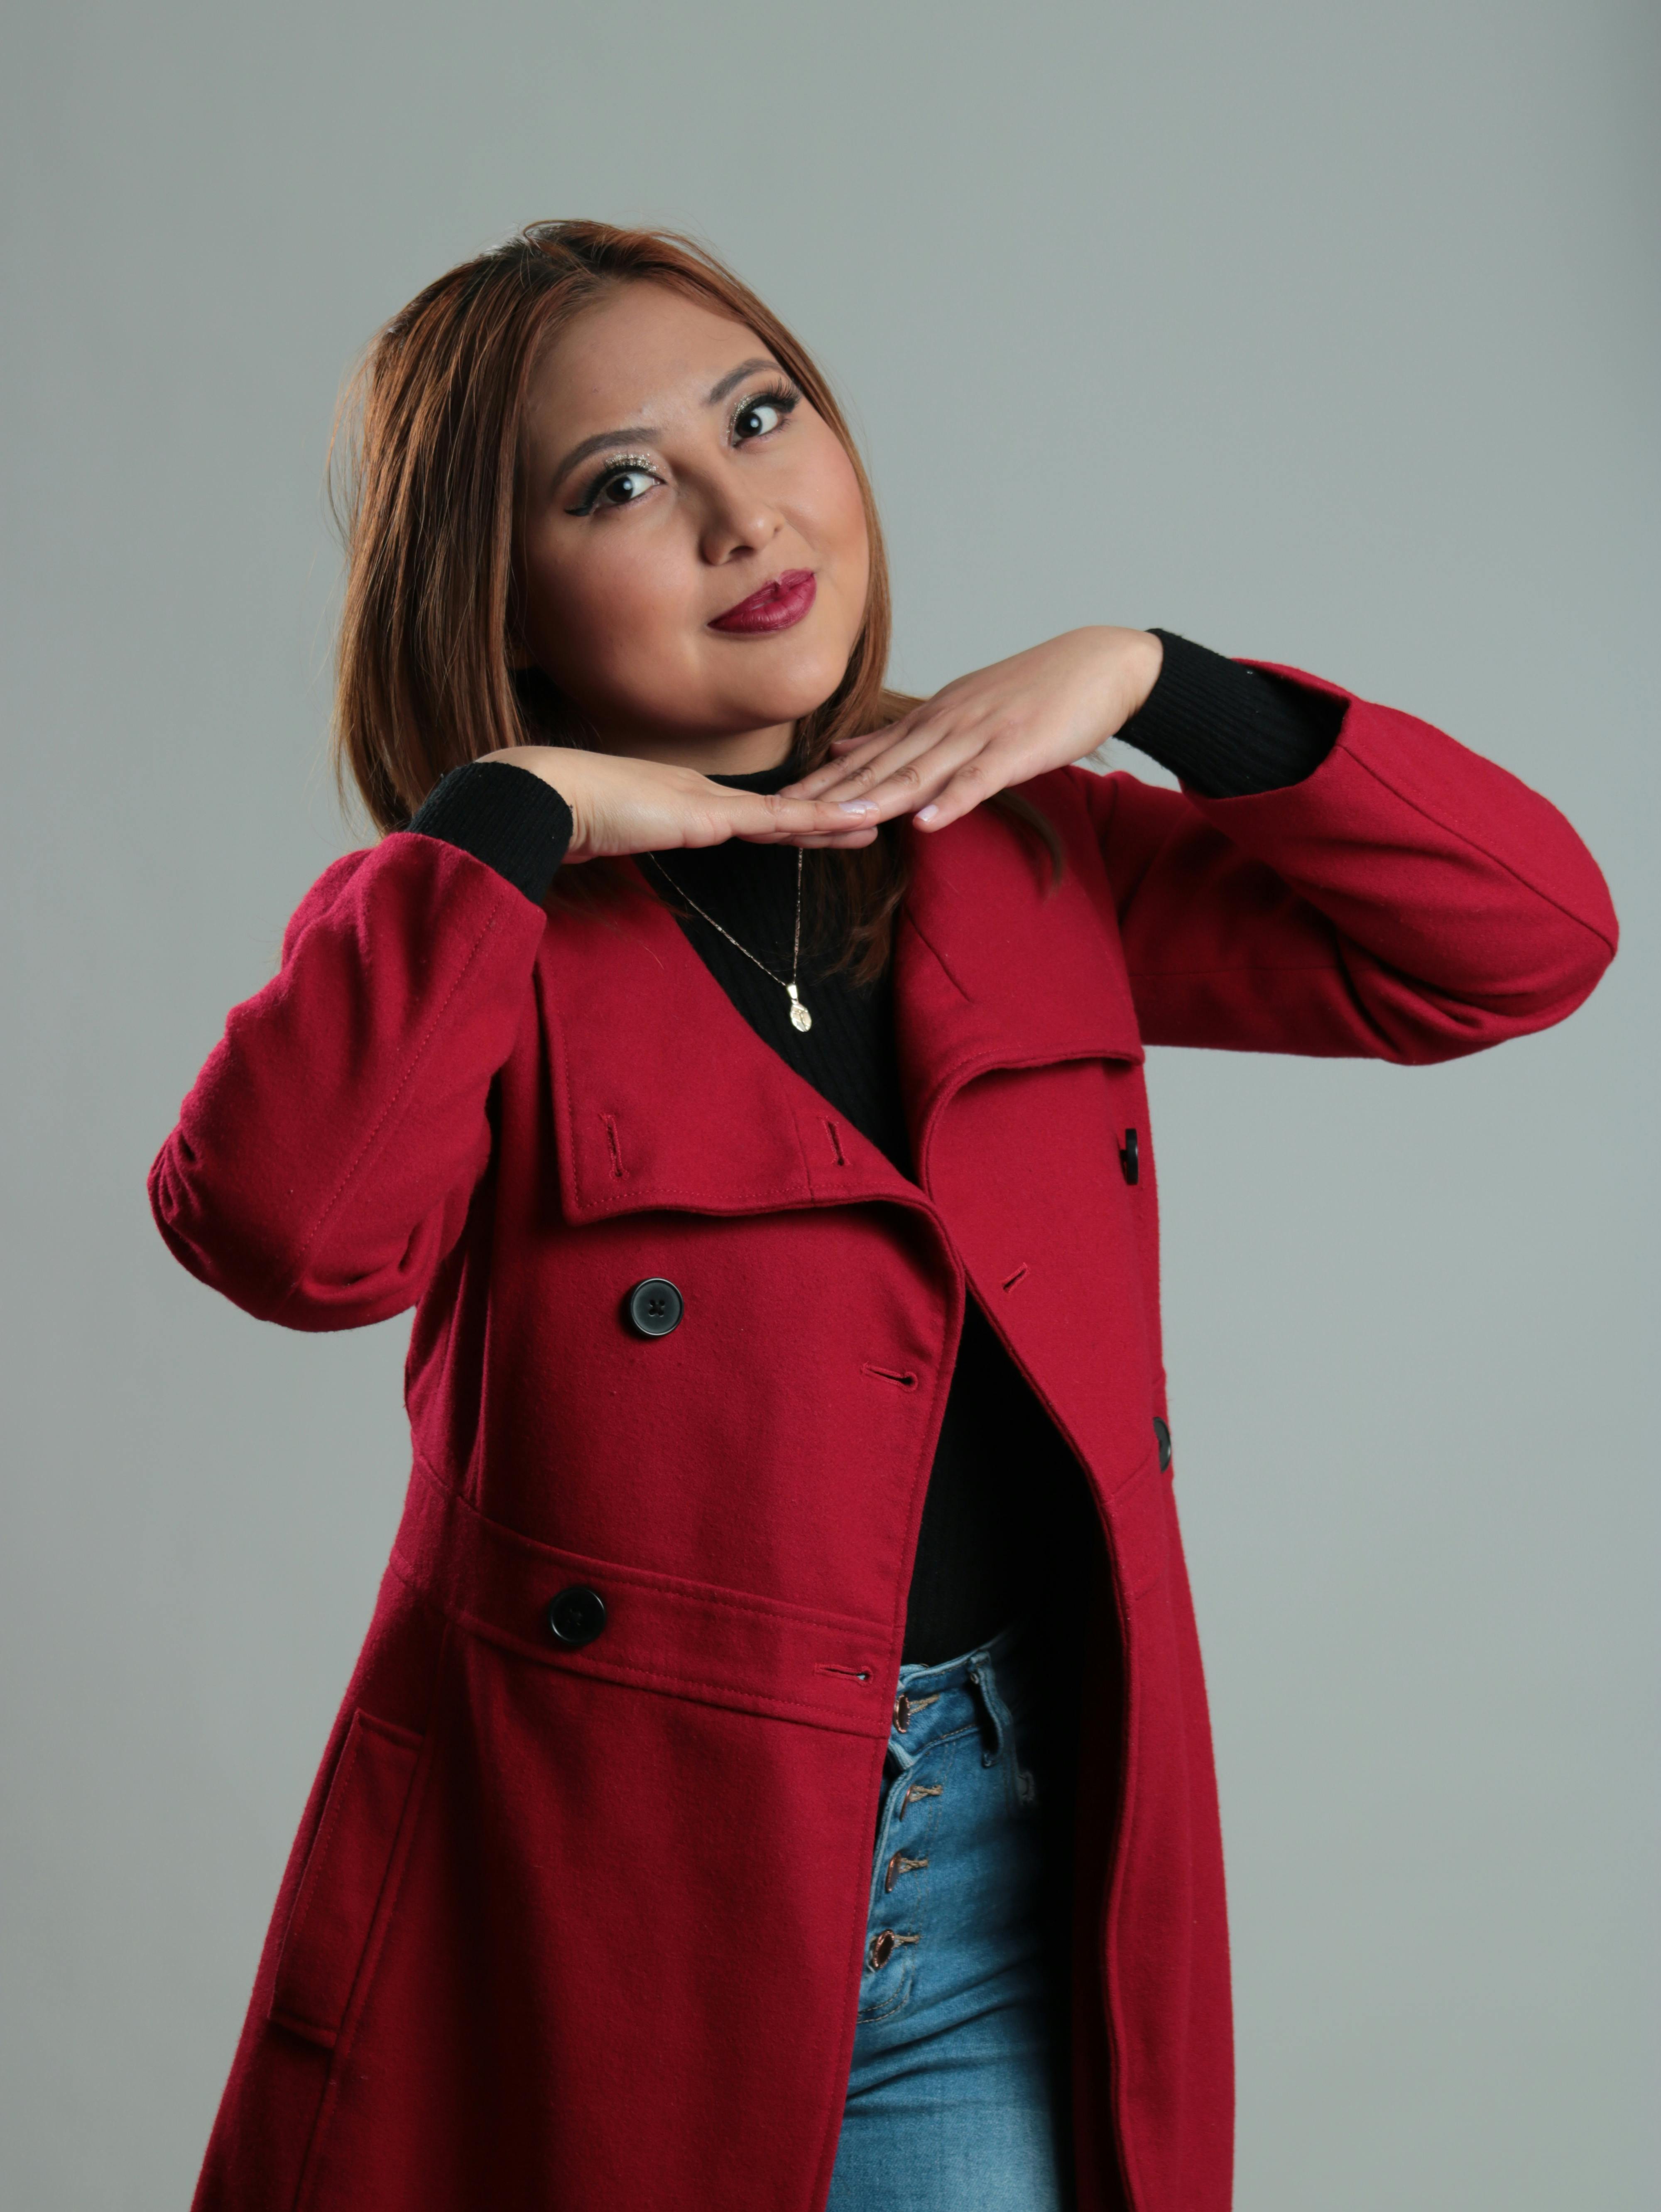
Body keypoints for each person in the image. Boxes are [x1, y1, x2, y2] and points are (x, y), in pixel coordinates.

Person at [149, 222, 1617, 2212]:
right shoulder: (471, 934)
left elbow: (1521, 943)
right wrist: (504, 814)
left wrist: (1163, 683)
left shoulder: (1029, 849)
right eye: (619, 486)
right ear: (494, 595)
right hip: (610, 1900)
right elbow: (284, 1235)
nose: (742, 514)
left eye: (761, 417)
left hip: (1002, 1866)